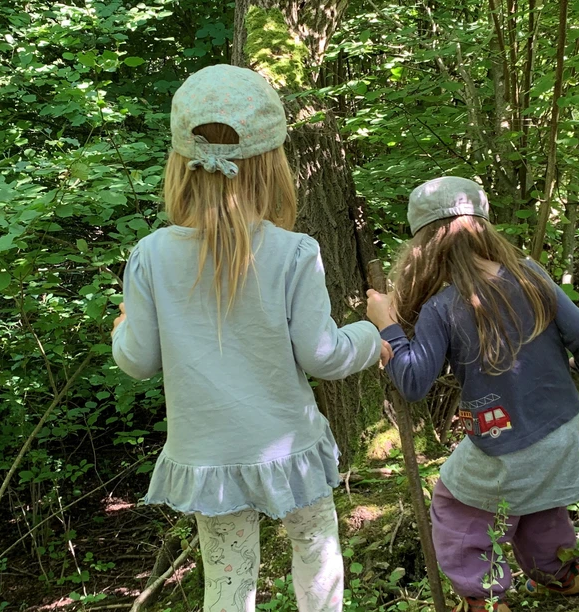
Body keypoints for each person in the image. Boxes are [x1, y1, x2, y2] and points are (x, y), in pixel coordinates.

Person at [110, 64, 384, 612]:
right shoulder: (294, 251)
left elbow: (138, 361)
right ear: (272, 164)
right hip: (290, 448)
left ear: (181, 163)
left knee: (228, 582)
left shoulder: (151, 256)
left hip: (209, 457)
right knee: (316, 552)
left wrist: (120, 331)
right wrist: (374, 332)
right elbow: (324, 355)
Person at [366, 177, 579, 612]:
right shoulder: (530, 274)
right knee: (538, 499)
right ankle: (560, 575)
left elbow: (413, 382)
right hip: (562, 427)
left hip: (504, 440)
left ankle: (482, 599)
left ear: (424, 244)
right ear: (484, 227)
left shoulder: (444, 306)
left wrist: (388, 327)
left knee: (456, 505)